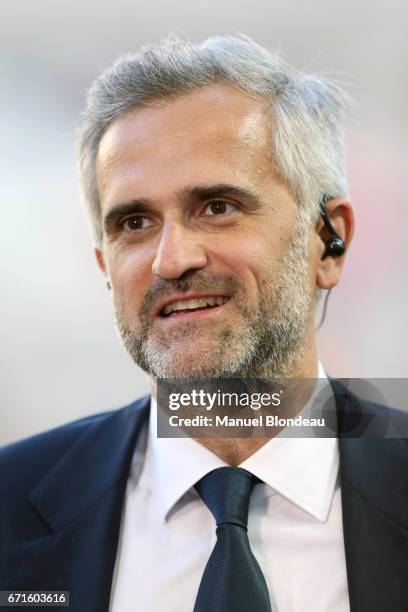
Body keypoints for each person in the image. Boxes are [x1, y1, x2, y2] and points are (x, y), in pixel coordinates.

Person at [1, 34, 407, 612]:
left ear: (328, 243)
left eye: (217, 208)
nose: (171, 259)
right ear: (105, 268)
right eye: (134, 222)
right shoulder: (9, 507)